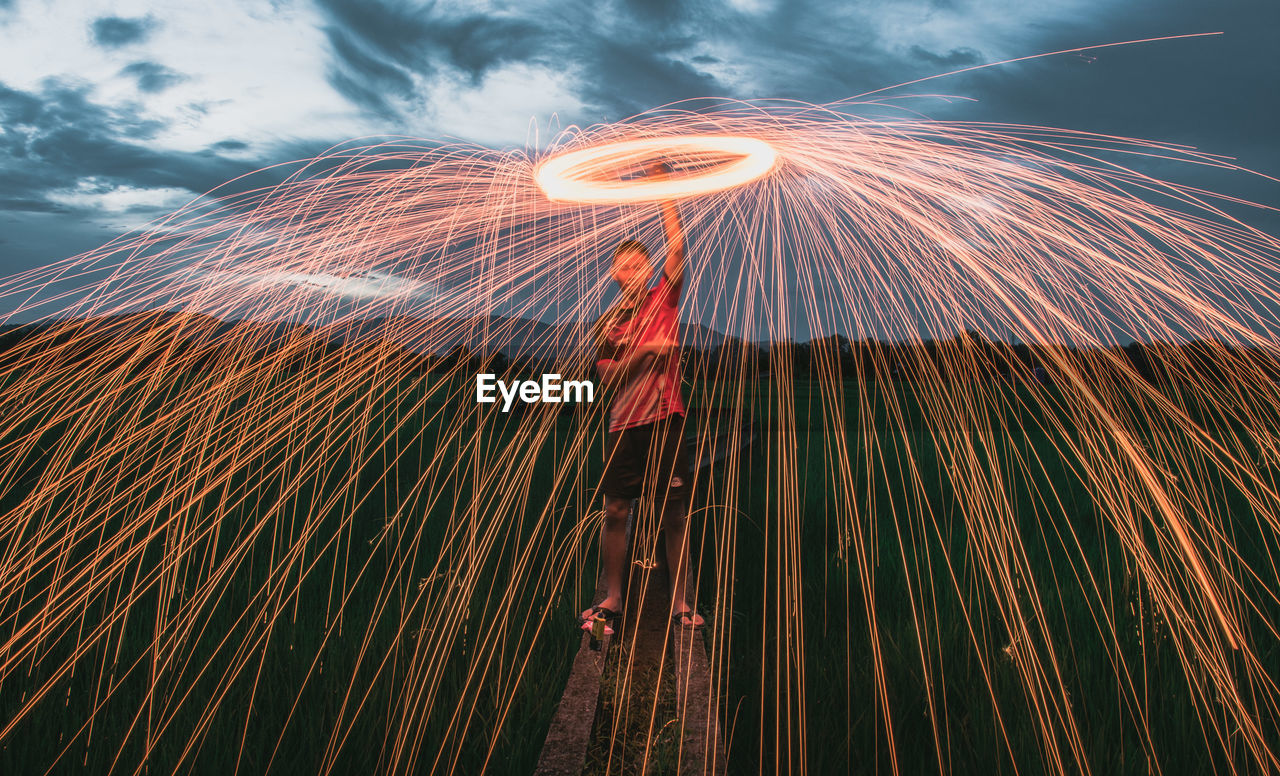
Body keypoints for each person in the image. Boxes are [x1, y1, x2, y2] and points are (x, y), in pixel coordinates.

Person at [580, 160, 706, 630]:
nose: (632, 271)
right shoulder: (607, 325)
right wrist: (645, 353)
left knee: (673, 510)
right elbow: (609, 380)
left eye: (640, 264)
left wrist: (663, 187)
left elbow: (679, 247)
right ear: (613, 273)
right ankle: (612, 597)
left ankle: (680, 603)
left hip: (665, 419)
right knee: (616, 509)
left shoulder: (663, 300)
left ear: (649, 270)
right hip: (623, 426)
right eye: (624, 265)